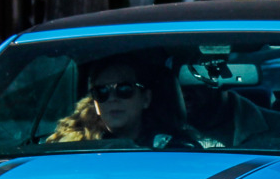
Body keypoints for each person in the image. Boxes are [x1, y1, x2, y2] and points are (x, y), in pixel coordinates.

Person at [46, 60, 192, 148]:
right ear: (96, 104)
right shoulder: (69, 150)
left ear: (146, 99)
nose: (112, 98)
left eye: (124, 89)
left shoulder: (175, 150)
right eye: (102, 92)